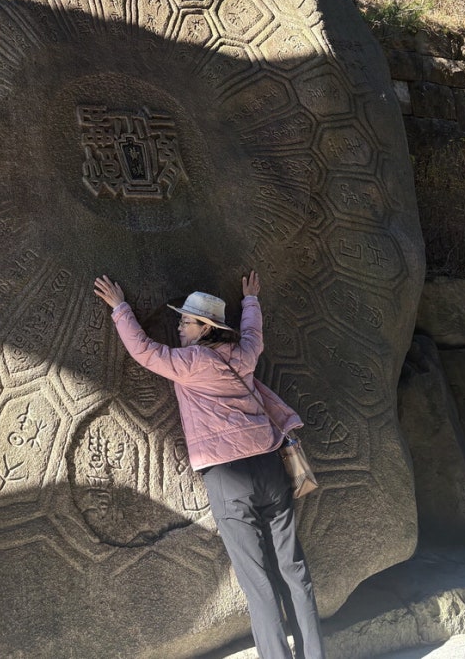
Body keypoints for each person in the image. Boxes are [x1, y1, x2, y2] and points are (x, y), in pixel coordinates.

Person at [93, 271, 325, 659]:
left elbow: (146, 352)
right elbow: (254, 336)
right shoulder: (243, 355)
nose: (179, 327)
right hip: (270, 468)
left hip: (228, 478)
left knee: (257, 580)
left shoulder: (193, 362)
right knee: (293, 568)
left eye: (186, 322)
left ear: (206, 328)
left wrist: (120, 309)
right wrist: (250, 300)